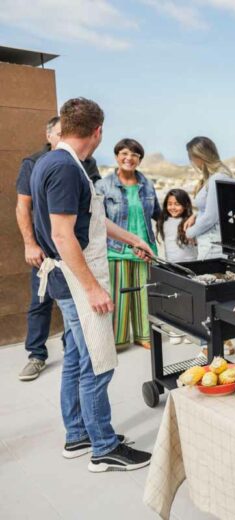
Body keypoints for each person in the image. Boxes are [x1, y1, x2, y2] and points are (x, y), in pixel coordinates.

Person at [31, 97, 153, 472]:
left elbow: (93, 221)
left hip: (66, 281)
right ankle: (103, 447)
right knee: (98, 363)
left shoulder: (56, 162)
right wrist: (94, 289)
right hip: (78, 283)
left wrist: (131, 239)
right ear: (98, 132)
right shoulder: (67, 169)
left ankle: (78, 434)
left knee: (75, 360)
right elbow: (63, 236)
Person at [96, 139, 161, 350]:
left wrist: (188, 217)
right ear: (116, 156)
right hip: (116, 250)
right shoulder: (103, 185)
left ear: (139, 160)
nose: (129, 158)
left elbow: (158, 214)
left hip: (144, 250)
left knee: (144, 295)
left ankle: (143, 336)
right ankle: (117, 339)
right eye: (124, 153)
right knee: (120, 296)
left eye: (135, 155)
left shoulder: (148, 184)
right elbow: (97, 221)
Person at [15, 116, 64, 381]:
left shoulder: (85, 163)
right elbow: (23, 206)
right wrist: (30, 244)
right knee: (40, 303)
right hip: (44, 251)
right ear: (49, 136)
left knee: (77, 305)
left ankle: (75, 351)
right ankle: (36, 355)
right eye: (60, 133)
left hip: (75, 250)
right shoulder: (33, 163)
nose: (64, 138)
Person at [182, 136, 232, 260]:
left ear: (201, 156)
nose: (192, 162)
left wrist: (189, 233)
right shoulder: (214, 176)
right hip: (209, 243)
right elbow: (213, 208)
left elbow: (211, 217)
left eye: (192, 158)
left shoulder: (218, 178)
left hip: (212, 246)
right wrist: (195, 215)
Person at [157, 189, 197, 263]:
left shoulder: (190, 222)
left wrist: (194, 216)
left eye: (177, 204)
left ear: (185, 205)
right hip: (171, 264)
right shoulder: (164, 221)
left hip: (190, 264)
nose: (173, 207)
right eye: (170, 204)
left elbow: (205, 216)